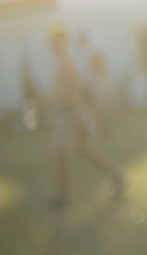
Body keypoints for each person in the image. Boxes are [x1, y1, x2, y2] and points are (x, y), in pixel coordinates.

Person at [46, 28, 124, 208]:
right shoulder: (61, 64)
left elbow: (75, 95)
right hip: (66, 114)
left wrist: (76, 121)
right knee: (84, 152)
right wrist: (50, 101)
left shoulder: (68, 65)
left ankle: (61, 196)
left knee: (63, 155)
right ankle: (116, 177)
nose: (52, 46)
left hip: (70, 116)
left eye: (55, 42)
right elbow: (61, 92)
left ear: (62, 43)